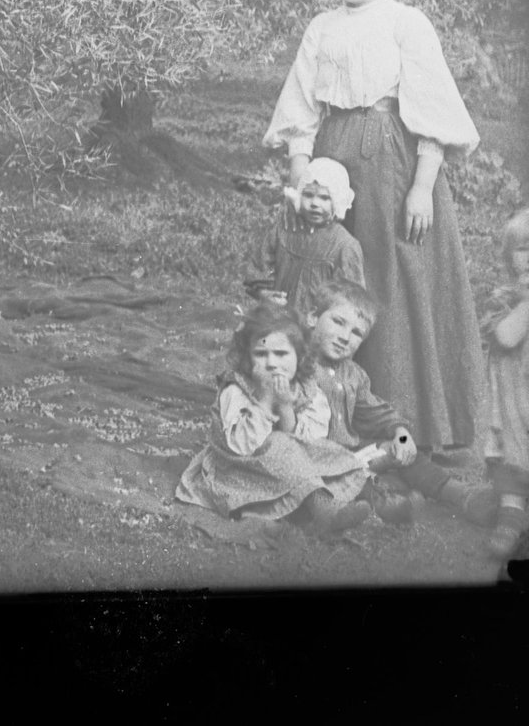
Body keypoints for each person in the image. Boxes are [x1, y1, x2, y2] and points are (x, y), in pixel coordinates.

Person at [264, 0, 487, 456]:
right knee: (327, 271)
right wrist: (300, 176)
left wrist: (422, 185)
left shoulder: (404, 22)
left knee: (387, 277)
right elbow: (300, 106)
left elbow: (432, 109)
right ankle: (319, 414)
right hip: (332, 155)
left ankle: (406, 421)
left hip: (390, 157)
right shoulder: (322, 26)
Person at [300, 277, 497, 527]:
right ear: (312, 318)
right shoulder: (296, 365)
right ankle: (383, 503)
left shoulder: (353, 375)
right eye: (338, 322)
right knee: (343, 480)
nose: (344, 337)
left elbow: (380, 414)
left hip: (354, 455)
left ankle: (460, 494)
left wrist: (401, 434)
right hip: (314, 460)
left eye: (356, 333)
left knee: (401, 451)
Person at [174, 302, 373, 536]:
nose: (271, 363)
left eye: (281, 354)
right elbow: (241, 445)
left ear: (300, 356)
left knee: (334, 456)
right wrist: (267, 399)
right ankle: (324, 512)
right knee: (280, 445)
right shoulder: (237, 389)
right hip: (240, 471)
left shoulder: (306, 390)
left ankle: (341, 506)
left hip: (289, 468)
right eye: (261, 354)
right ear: (247, 357)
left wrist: (287, 406)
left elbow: (308, 442)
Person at [247, 157, 365, 312]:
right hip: (278, 317)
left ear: (337, 201)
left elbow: (351, 298)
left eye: (324, 198)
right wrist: (265, 294)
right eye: (308, 195)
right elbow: (259, 267)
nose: (315, 203)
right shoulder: (285, 230)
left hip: (315, 325)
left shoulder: (345, 246)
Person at [481, 209, 529, 559]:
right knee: (511, 457)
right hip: (513, 399)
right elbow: (507, 336)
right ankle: (511, 515)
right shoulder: (502, 296)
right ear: (510, 254)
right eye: (524, 248)